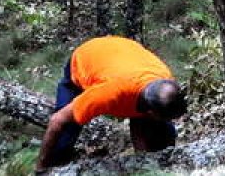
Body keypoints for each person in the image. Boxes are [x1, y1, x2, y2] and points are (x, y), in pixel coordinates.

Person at [36, 36, 187, 172]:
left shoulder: (164, 81)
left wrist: (142, 163)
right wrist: (41, 167)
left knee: (165, 136)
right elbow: (57, 120)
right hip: (86, 58)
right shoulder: (108, 94)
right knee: (64, 139)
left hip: (122, 52)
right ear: (151, 112)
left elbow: (138, 121)